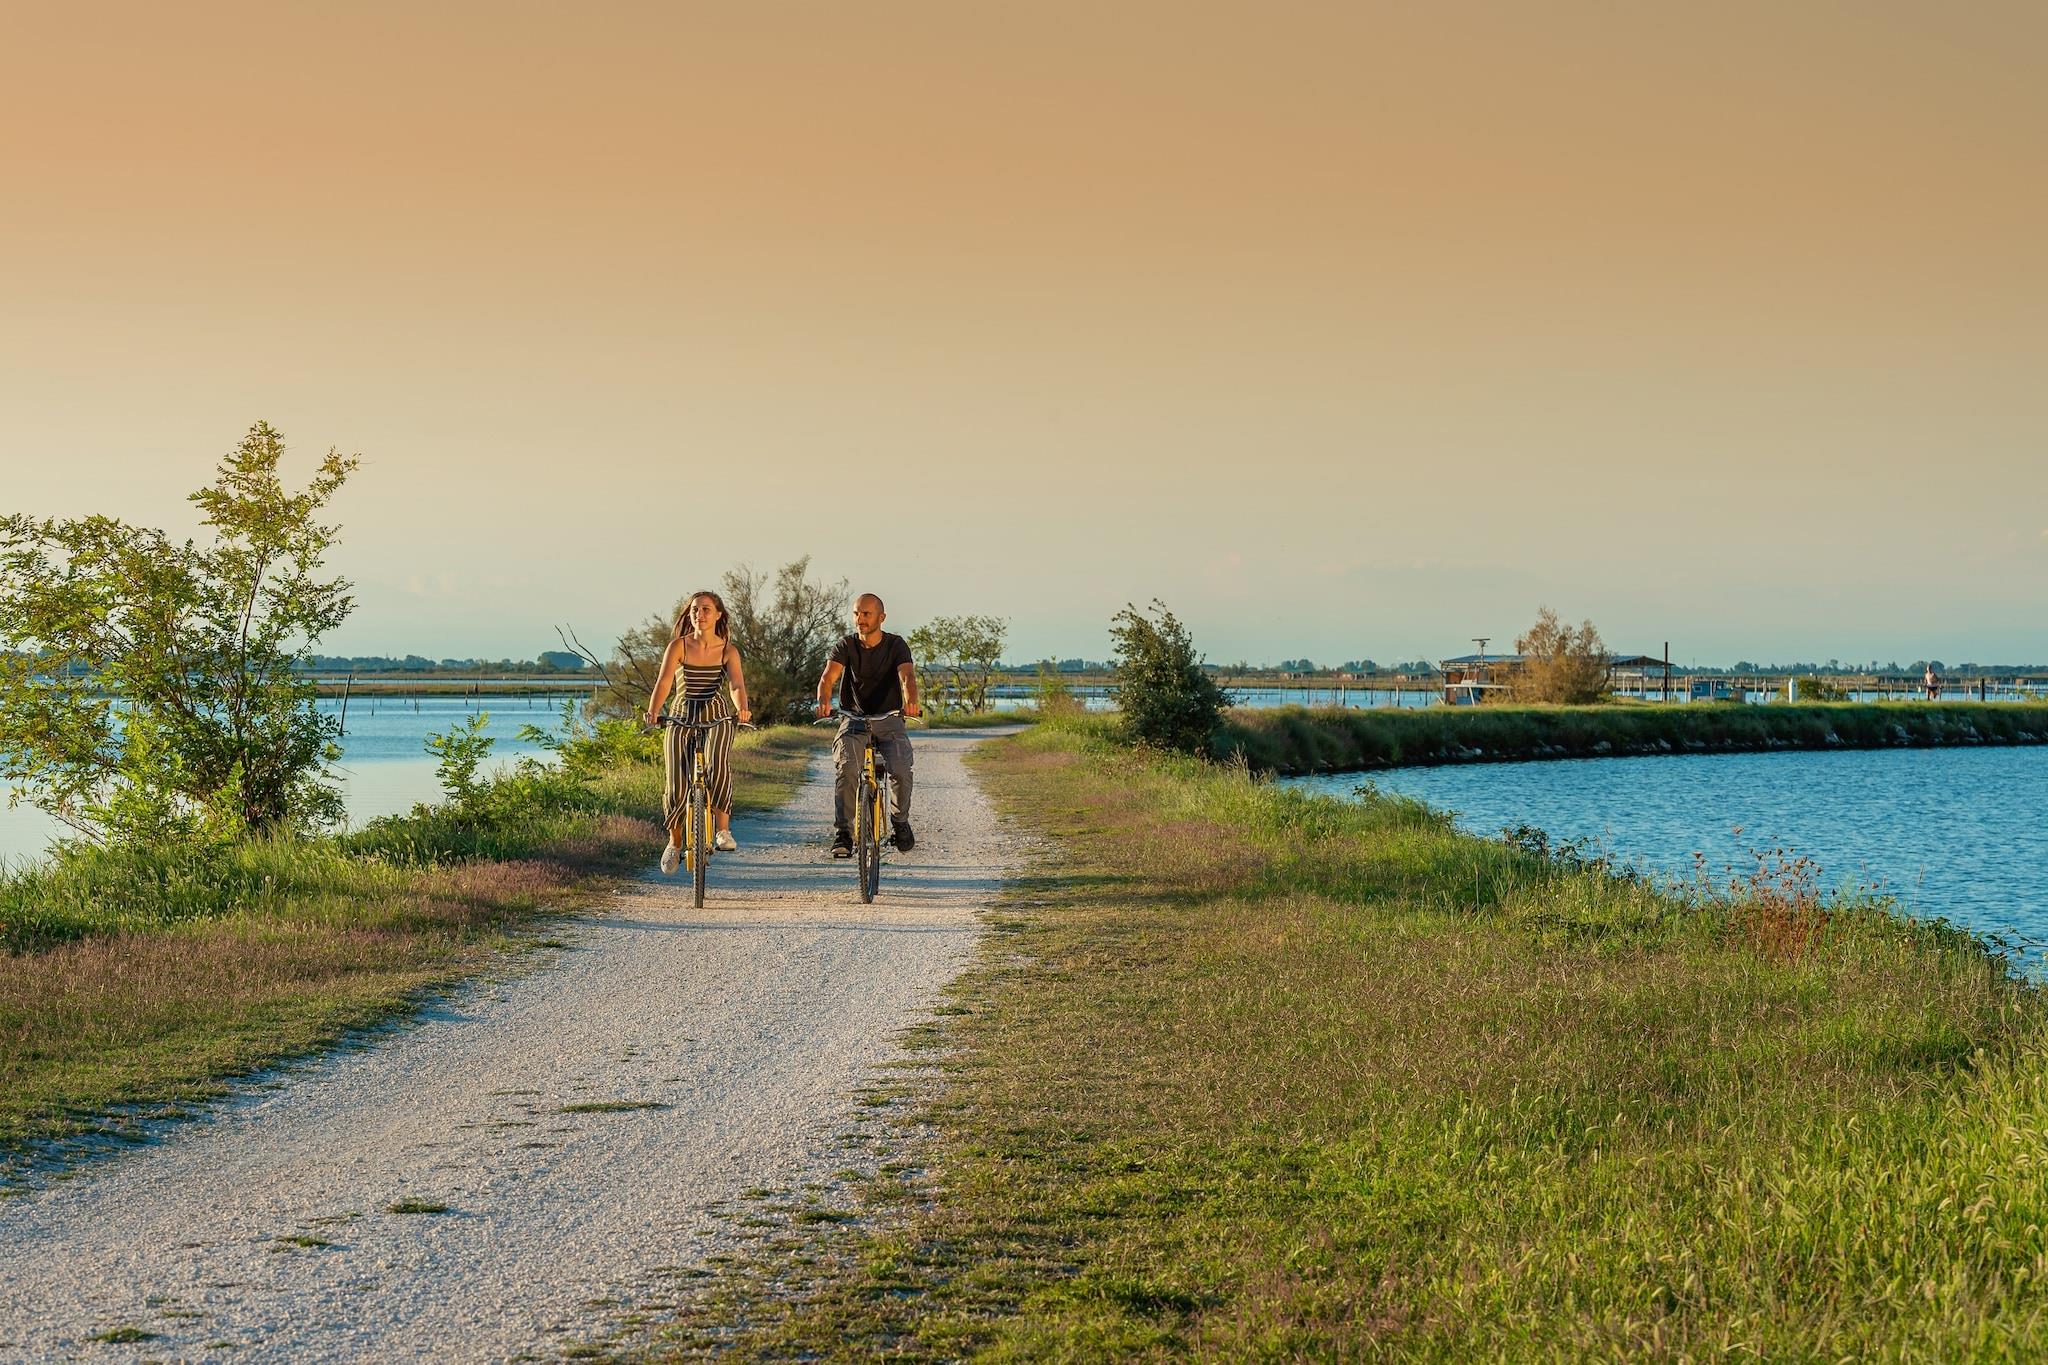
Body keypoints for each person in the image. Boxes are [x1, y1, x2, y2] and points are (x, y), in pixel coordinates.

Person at [644, 591, 751, 874]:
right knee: (676, 782)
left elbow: (736, 684)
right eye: (694, 609)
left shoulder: (728, 650)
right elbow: (664, 682)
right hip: (681, 715)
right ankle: (674, 843)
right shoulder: (678, 646)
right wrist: (653, 711)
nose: (699, 614)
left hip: (716, 715)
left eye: (705, 609)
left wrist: (742, 708)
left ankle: (723, 831)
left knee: (717, 765)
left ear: (718, 615)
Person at [814, 592, 920, 857]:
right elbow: (828, 678)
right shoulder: (846, 645)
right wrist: (823, 701)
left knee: (901, 768)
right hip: (854, 719)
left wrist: (911, 702)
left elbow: (907, 676)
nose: (860, 619)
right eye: (856, 613)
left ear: (881, 617)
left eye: (866, 614)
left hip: (889, 719)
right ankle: (844, 833)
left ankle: (900, 822)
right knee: (847, 767)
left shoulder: (896, 645)